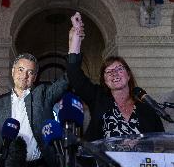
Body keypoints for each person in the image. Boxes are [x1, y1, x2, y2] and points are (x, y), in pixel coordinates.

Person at [66, 12, 164, 142]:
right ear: (105, 81)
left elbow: (160, 143)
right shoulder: (98, 98)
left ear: (128, 75)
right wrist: (76, 39)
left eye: (119, 69)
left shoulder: (146, 108)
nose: (114, 73)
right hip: (104, 162)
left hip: (139, 162)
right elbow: (74, 74)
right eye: (108, 72)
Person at [0, 53, 68, 167]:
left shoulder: (43, 95)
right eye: (20, 69)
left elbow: (66, 80)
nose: (24, 75)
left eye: (30, 72)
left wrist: (74, 47)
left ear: (34, 77)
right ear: (13, 71)